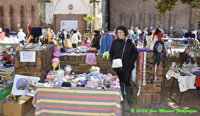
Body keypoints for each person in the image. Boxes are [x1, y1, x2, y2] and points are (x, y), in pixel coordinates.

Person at [110, 26, 138, 104]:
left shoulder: (130, 42)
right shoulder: (115, 42)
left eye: (121, 32)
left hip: (127, 66)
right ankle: (121, 96)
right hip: (118, 66)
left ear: (125, 33)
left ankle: (128, 96)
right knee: (120, 80)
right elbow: (111, 53)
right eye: (118, 32)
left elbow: (135, 53)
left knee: (127, 80)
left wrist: (130, 62)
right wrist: (113, 61)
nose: (119, 34)